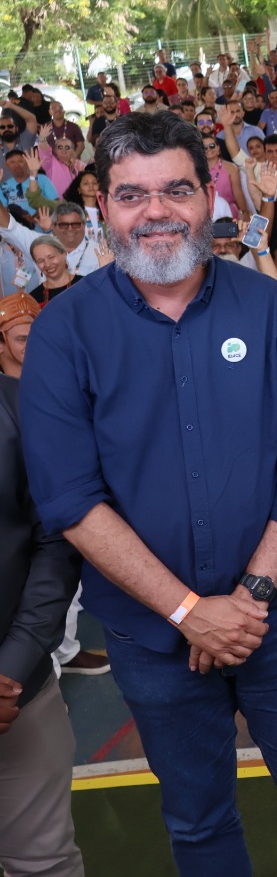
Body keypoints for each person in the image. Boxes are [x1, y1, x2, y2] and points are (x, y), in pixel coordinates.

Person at [18, 110, 277, 876]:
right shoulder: (63, 331)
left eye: (175, 189)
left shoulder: (271, 309)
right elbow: (70, 500)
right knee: (198, 821)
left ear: (209, 196)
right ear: (102, 207)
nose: (157, 212)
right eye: (132, 195)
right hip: (151, 637)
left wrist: (247, 598)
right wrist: (188, 613)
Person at [0, 299, 85, 877]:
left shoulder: (19, 412)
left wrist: (12, 666)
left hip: (16, 692)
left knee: (43, 862)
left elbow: (55, 541)